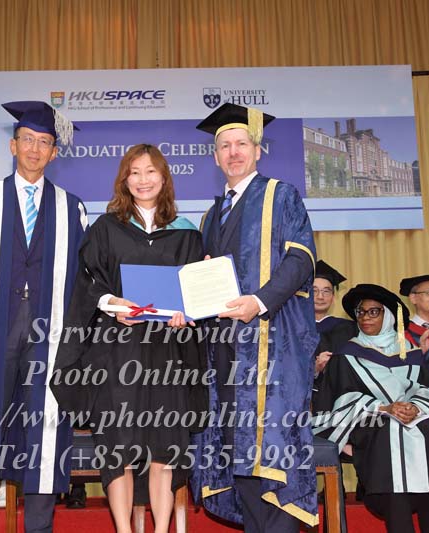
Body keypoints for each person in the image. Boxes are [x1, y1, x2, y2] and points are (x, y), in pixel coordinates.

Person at [0, 101, 86, 533]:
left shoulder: (72, 209)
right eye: (28, 140)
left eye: (44, 142)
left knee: (44, 431)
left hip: (49, 337)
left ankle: (39, 528)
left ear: (54, 153)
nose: (34, 149)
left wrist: (75, 347)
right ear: (13, 145)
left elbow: (82, 281)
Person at [53, 144, 206, 533]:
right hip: (118, 352)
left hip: (168, 353)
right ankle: (123, 529)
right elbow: (88, 282)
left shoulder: (187, 233)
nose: (143, 180)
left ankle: (160, 529)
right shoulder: (106, 228)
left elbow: (194, 291)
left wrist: (187, 313)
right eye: (134, 172)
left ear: (164, 178)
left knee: (164, 449)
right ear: (124, 179)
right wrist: (111, 303)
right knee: (117, 448)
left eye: (151, 171)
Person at [190, 103, 318, 532]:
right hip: (225, 351)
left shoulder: (281, 195)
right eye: (224, 146)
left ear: (257, 150)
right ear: (215, 157)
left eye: (241, 143)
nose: (233, 152)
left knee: (274, 448)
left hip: (272, 346)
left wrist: (259, 302)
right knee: (238, 449)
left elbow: (301, 260)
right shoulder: (211, 215)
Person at [313, 283, 429, 533]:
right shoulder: (346, 356)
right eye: (361, 312)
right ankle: (399, 520)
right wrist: (384, 408)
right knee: (389, 430)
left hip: (414, 420)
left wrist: (416, 408)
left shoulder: (410, 353)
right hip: (370, 422)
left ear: (389, 318)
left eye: (374, 312)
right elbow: (337, 400)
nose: (365, 317)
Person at [312, 260, 357, 393]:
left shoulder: (350, 328)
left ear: (333, 297)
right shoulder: (292, 330)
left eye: (326, 291)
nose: (320, 297)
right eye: (314, 291)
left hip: (341, 396)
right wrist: (314, 370)